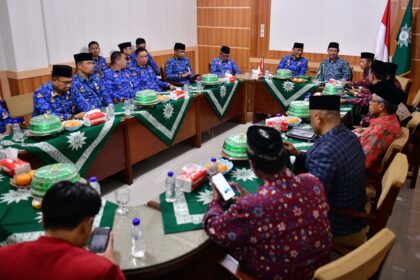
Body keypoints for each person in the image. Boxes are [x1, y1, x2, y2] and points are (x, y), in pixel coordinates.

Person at [203, 125, 332, 280]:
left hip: (275, 274)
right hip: (320, 271)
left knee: (215, 253)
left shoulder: (253, 205)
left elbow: (214, 229)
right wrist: (253, 200)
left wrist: (216, 201)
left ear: (253, 165)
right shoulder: (312, 181)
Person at [0, 181, 125, 280]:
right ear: (87, 225)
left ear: (42, 221)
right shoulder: (102, 270)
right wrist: (111, 264)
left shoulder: (4, 256)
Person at [283, 95, 366, 239]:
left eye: (310, 119)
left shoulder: (325, 153)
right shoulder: (350, 135)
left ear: (318, 119)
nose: (310, 124)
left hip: (339, 221)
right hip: (352, 205)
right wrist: (297, 154)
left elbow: (310, 200)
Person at [356, 81, 403, 174]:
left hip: (358, 176)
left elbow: (361, 164)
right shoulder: (390, 120)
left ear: (381, 106)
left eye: (372, 101)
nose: (369, 103)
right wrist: (364, 131)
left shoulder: (380, 131)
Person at [342, 60, 389, 127]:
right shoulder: (382, 85)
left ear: (372, 75)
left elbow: (366, 101)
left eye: (369, 73)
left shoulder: (380, 90)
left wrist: (362, 125)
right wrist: (359, 91)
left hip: (375, 126)